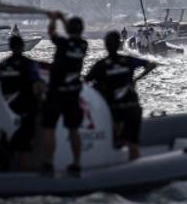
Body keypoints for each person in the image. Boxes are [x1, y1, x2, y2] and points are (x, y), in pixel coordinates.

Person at [85, 31, 157, 160]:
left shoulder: (100, 65)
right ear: (119, 44)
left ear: (106, 46)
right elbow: (152, 64)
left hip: (114, 110)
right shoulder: (128, 60)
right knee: (133, 144)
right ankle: (135, 166)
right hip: (132, 107)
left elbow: (85, 82)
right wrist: (136, 79)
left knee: (115, 138)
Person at [41, 12, 88, 175]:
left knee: (49, 128)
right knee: (73, 129)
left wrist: (55, 18)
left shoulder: (63, 43)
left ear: (68, 29)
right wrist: (63, 18)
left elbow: (51, 32)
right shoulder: (83, 45)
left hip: (56, 92)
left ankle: (48, 164)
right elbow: (71, 33)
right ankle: (76, 164)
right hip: (73, 94)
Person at [0, 35, 43, 169]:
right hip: (26, 108)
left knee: (9, 141)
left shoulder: (2, 65)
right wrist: (40, 102)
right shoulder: (29, 64)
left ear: (10, 47)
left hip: (8, 108)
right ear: (22, 46)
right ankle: (24, 172)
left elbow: (0, 85)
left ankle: (6, 169)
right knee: (25, 145)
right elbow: (37, 85)